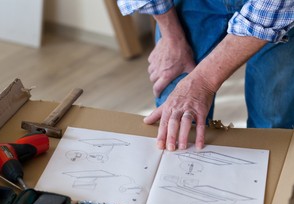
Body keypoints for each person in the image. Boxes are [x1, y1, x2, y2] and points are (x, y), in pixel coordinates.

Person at [116, 0, 294, 151]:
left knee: (272, 122)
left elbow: (274, 9)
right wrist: (171, 36)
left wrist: (202, 81)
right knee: (175, 121)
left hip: (279, 10)